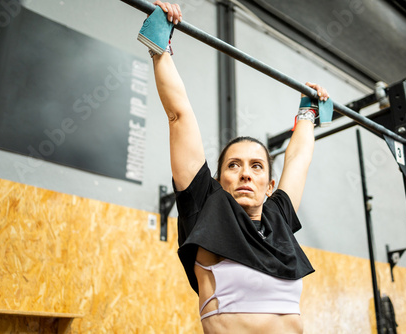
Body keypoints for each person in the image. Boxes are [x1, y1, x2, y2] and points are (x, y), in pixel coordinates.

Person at [138, 2, 330, 333]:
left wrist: (308, 111)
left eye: (257, 167)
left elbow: (298, 158)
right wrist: (161, 46)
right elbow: (178, 115)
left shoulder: (278, 217)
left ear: (269, 186)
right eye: (234, 165)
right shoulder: (206, 206)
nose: (245, 173)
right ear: (218, 179)